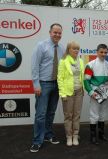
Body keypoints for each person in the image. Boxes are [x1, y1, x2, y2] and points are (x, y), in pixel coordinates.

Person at [30, 23, 65, 152]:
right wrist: (36, 84)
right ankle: (37, 141)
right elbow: (34, 66)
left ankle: (48, 134)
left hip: (57, 84)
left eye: (59, 33)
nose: (57, 35)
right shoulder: (41, 46)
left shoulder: (62, 48)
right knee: (40, 114)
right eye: (55, 32)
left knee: (51, 112)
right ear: (50, 32)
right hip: (43, 84)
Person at [84, 44, 108, 145]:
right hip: (95, 93)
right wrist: (91, 92)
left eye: (105, 52)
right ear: (97, 52)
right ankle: (93, 136)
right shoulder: (90, 65)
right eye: (101, 52)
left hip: (106, 93)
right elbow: (86, 81)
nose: (103, 54)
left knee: (103, 114)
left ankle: (101, 135)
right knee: (94, 114)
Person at [57, 41, 84, 146]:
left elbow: (82, 77)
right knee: (68, 116)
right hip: (68, 93)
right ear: (69, 49)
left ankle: (75, 136)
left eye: (77, 48)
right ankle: (69, 136)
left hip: (79, 92)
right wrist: (62, 94)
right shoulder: (63, 61)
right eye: (74, 48)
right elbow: (60, 78)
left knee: (76, 115)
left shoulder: (81, 61)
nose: (76, 50)